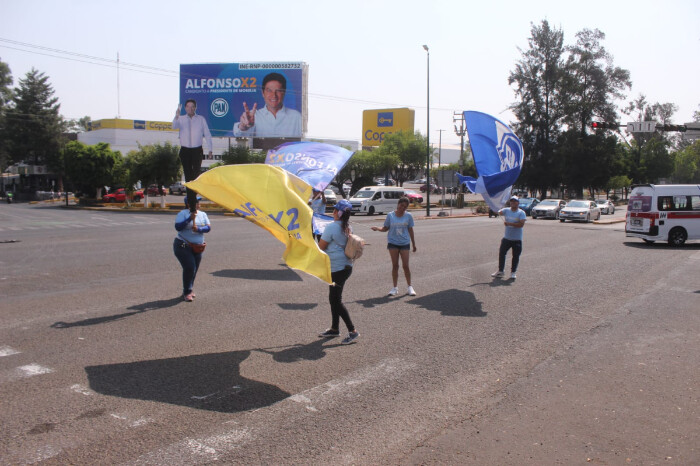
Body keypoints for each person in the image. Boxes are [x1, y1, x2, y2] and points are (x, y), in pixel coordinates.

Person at [317, 199, 360, 345]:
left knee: (336, 301)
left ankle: (353, 331)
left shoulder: (331, 227)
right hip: (346, 266)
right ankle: (334, 328)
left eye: (335, 210)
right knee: (333, 299)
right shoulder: (348, 227)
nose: (333, 212)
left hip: (337, 268)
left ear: (338, 213)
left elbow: (321, 246)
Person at [172, 99, 213, 213]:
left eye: (192, 107)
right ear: (185, 108)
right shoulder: (181, 119)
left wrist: (210, 149)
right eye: (188, 107)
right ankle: (192, 205)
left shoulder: (200, 119)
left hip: (197, 151)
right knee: (188, 177)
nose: (190, 109)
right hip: (185, 151)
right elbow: (174, 126)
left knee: (195, 177)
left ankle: (192, 203)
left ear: (195, 108)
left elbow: (207, 134)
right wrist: (176, 116)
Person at [371, 197, 417, 296]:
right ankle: (395, 288)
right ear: (398, 204)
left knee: (406, 266)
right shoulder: (390, 215)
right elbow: (385, 228)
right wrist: (377, 228)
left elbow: (410, 230)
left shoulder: (409, 216)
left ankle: (410, 287)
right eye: (401, 205)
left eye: (405, 206)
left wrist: (413, 244)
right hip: (393, 243)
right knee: (395, 266)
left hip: (404, 243)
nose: (402, 208)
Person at [232, 72, 302, 138]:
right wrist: (243, 126)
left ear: (284, 92)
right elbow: (240, 135)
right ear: (263, 93)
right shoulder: (253, 116)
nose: (274, 95)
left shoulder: (296, 117)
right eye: (269, 90)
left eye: (278, 91)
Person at [173, 196, 211, 302]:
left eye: (199, 202)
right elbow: (178, 227)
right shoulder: (183, 213)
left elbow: (208, 228)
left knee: (194, 269)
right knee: (190, 267)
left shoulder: (203, 214)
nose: (199, 204)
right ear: (189, 204)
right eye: (197, 202)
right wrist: (190, 218)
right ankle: (187, 292)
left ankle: (189, 289)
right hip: (183, 245)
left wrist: (199, 229)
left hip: (198, 246)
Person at [491, 195, 526, 280]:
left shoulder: (521, 213)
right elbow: (498, 212)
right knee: (502, 254)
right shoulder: (506, 210)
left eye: (515, 201)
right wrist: (493, 205)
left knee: (515, 256)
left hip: (517, 239)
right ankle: (500, 271)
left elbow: (521, 225)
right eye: (511, 201)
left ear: (518, 203)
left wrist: (510, 224)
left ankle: (513, 272)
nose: (513, 203)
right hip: (507, 238)